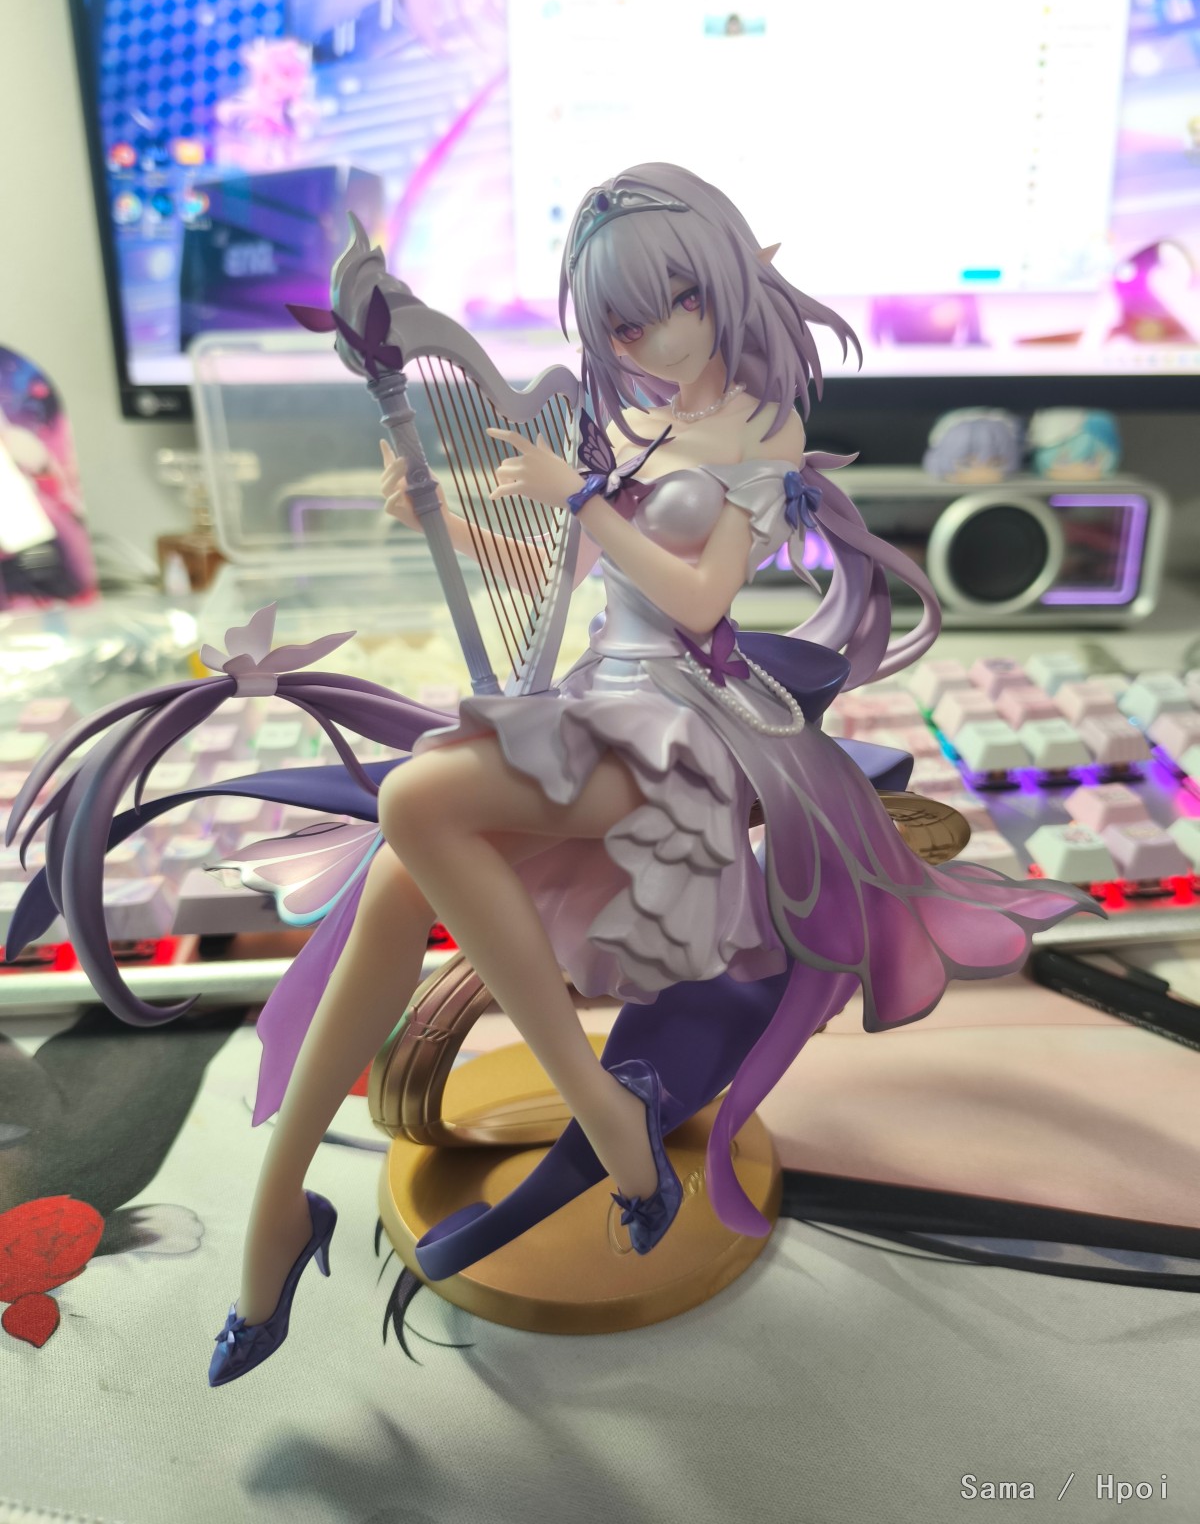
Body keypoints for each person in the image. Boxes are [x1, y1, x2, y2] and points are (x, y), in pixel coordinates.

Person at [5, 163, 1101, 1388]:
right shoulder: (624, 426)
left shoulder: (761, 429)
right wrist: (444, 513)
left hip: (682, 727)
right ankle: (279, 1204)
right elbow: (571, 571)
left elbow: (701, 600)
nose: (653, 337)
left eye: (676, 300)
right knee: (394, 883)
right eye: (622, 322)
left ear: (724, 281)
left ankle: (603, 1113)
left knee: (415, 799)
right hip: (592, 701)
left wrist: (581, 497)